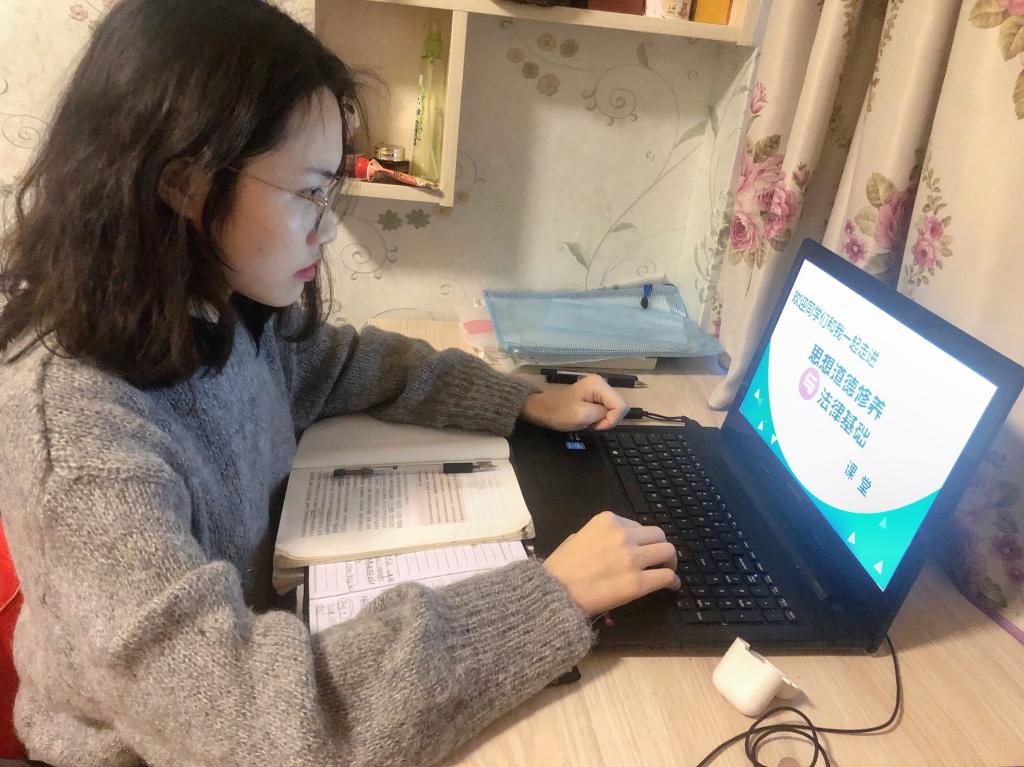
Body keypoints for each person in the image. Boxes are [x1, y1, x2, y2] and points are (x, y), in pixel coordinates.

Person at [0, 2, 680, 765]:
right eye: (307, 193)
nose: (327, 227)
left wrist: (520, 397)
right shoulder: (77, 434)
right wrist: (548, 599)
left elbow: (336, 363)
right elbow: (259, 731)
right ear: (184, 183)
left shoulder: (208, 307)